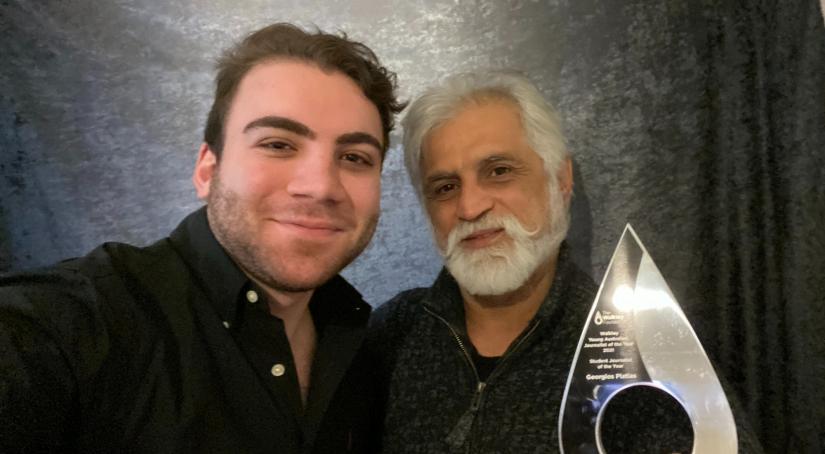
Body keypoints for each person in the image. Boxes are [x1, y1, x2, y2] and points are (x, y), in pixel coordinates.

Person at [0, 23, 404, 453]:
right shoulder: (74, 325)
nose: (322, 187)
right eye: (278, 145)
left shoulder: (366, 341)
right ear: (207, 171)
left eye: (354, 157)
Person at [367, 71, 764, 453]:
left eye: (500, 171)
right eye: (445, 187)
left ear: (560, 179)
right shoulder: (393, 332)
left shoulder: (640, 347)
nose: (470, 207)